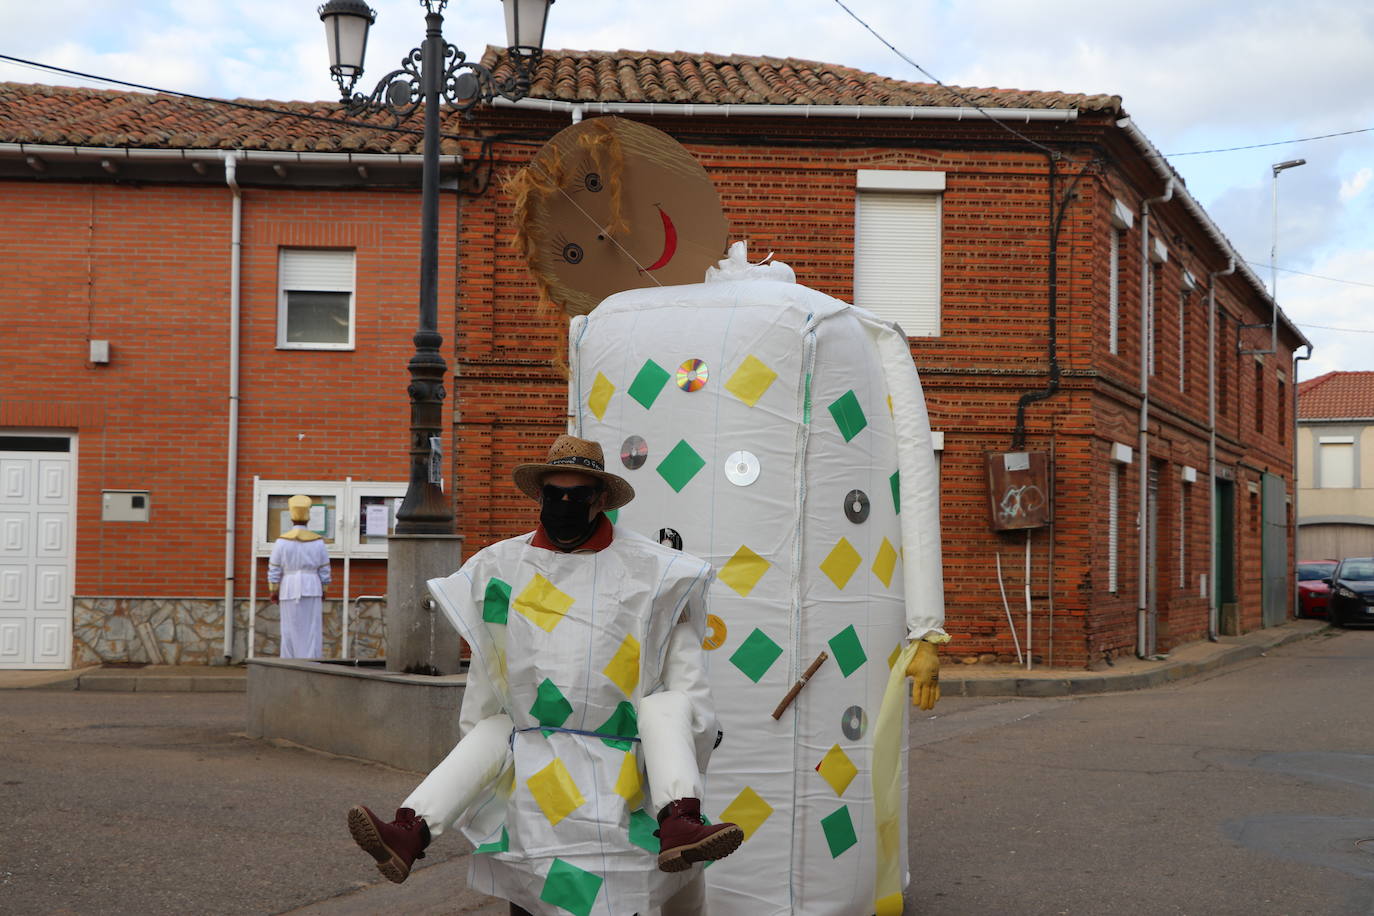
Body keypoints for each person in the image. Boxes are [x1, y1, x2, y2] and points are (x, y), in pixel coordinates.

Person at [348, 435, 742, 916]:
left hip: (622, 769)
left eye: (577, 496)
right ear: (539, 497)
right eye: (555, 495)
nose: (565, 505)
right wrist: (491, 770)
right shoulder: (501, 568)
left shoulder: (656, 575)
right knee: (535, 886)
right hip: (539, 769)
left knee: (666, 708)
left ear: (600, 499)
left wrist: (681, 757)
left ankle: (680, 817)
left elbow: (687, 690)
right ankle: (411, 827)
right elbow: (489, 678)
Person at [268, 494, 331, 659]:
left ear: (291, 516)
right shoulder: (318, 542)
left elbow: (274, 569)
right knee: (311, 628)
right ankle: (311, 661)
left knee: (289, 628)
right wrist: (324, 588)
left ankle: (289, 660)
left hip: (289, 587)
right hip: (312, 586)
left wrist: (274, 589)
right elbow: (324, 569)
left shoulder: (281, 542)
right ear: (308, 517)